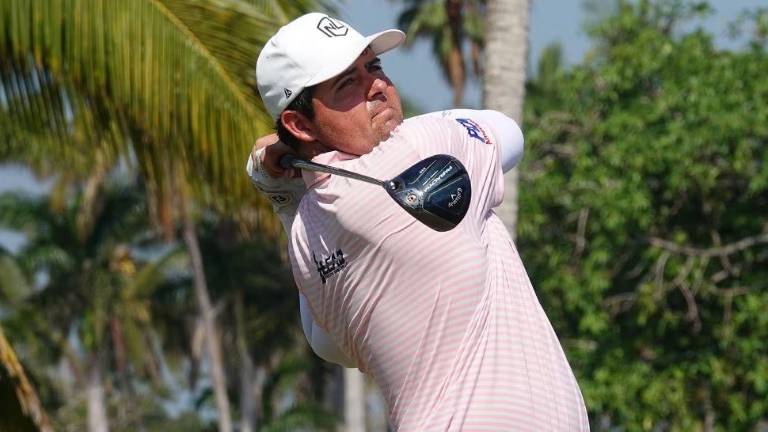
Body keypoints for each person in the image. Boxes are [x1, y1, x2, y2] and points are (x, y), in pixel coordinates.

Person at [247, 12, 589, 431]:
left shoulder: (305, 234)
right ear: (299, 124)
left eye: (374, 66)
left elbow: (328, 345)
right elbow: (508, 132)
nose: (377, 86)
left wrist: (285, 197)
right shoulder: (426, 147)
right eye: (347, 83)